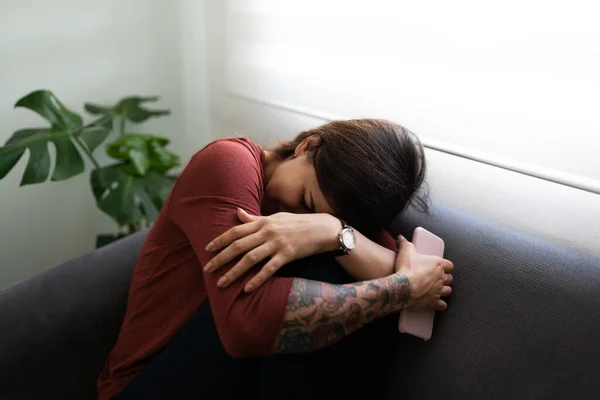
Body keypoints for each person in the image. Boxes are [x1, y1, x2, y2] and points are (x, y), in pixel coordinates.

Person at [98, 119, 454, 399]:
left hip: (234, 382)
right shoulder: (227, 162)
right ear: (308, 146)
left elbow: (392, 261)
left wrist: (330, 231)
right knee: (320, 270)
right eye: (307, 201)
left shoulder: (332, 217)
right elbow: (243, 325)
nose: (296, 218)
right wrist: (402, 290)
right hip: (145, 384)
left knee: (338, 269)